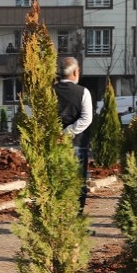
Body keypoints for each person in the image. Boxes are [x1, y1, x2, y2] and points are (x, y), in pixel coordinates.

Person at [54, 56, 94, 210]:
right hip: (77, 145)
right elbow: (86, 118)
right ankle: (76, 221)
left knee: (59, 182)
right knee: (78, 183)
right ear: (76, 72)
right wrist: (67, 133)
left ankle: (60, 218)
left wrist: (57, 134)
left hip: (55, 145)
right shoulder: (83, 92)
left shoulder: (51, 91)